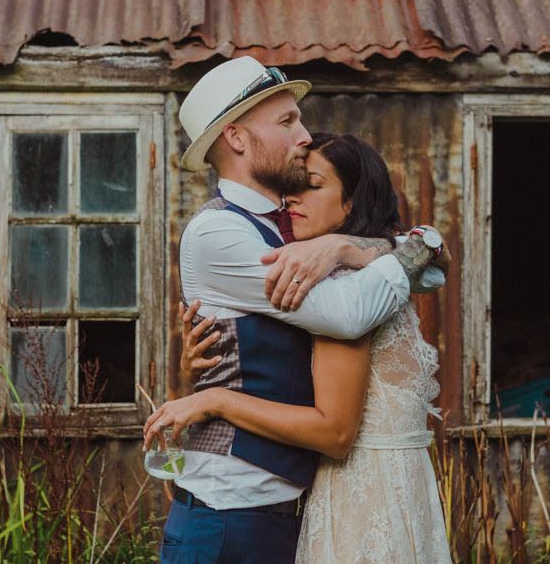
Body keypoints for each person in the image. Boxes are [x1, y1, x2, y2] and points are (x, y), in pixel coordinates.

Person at [155, 56, 446, 564]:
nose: (304, 135)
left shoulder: (296, 228)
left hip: (287, 512)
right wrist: (212, 394)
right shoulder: (219, 234)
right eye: (287, 121)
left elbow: (429, 263)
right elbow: (346, 314)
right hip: (230, 513)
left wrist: (351, 248)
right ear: (238, 138)